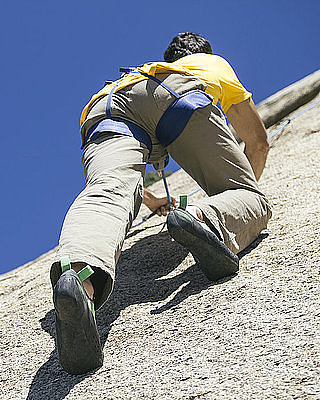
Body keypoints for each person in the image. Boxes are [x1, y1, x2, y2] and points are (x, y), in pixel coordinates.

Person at [50, 32, 272, 375]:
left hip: (105, 105)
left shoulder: (145, 69)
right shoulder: (209, 64)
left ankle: (79, 277)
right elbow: (257, 142)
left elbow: (129, 188)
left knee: (105, 191)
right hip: (174, 94)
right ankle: (206, 218)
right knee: (251, 197)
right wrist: (237, 194)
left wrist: (152, 200)